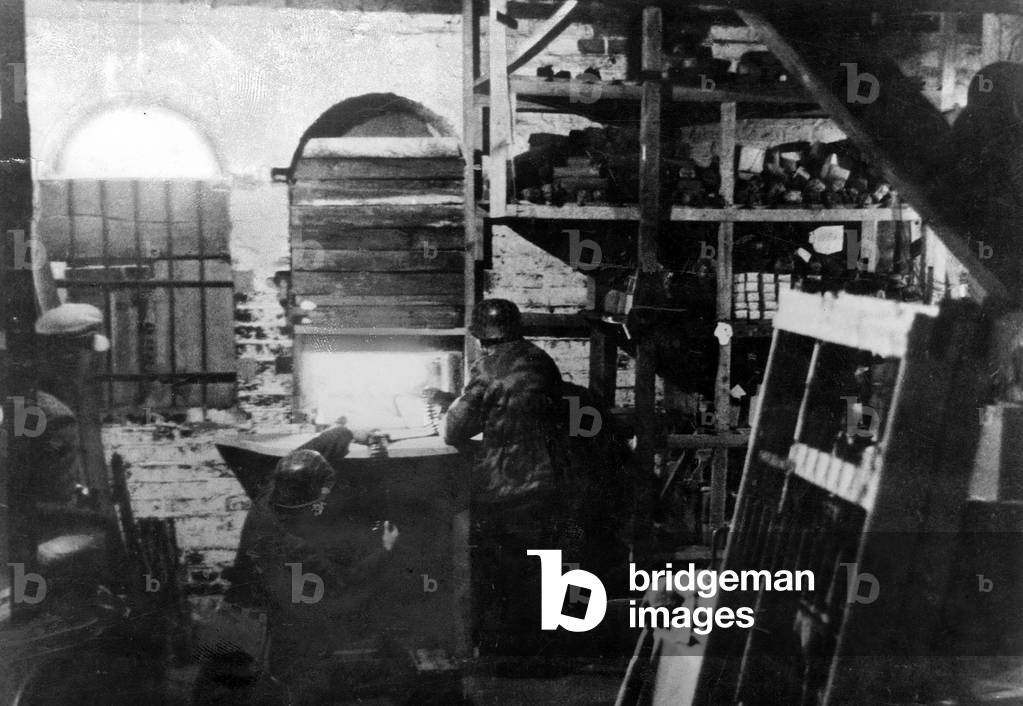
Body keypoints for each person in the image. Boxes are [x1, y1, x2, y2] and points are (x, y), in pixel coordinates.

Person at [201, 445, 399, 705]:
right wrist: (385, 550)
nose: (325, 499)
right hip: (261, 627)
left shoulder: (269, 494)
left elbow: (310, 450)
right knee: (272, 691)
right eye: (321, 495)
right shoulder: (297, 548)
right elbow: (344, 581)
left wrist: (345, 432)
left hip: (237, 609)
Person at [442, 298, 572, 658]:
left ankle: (504, 656)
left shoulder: (485, 369)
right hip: (547, 480)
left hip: (503, 486)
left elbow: (454, 431)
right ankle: (541, 653)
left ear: (482, 337)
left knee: (500, 572)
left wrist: (449, 405)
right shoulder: (542, 361)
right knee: (540, 569)